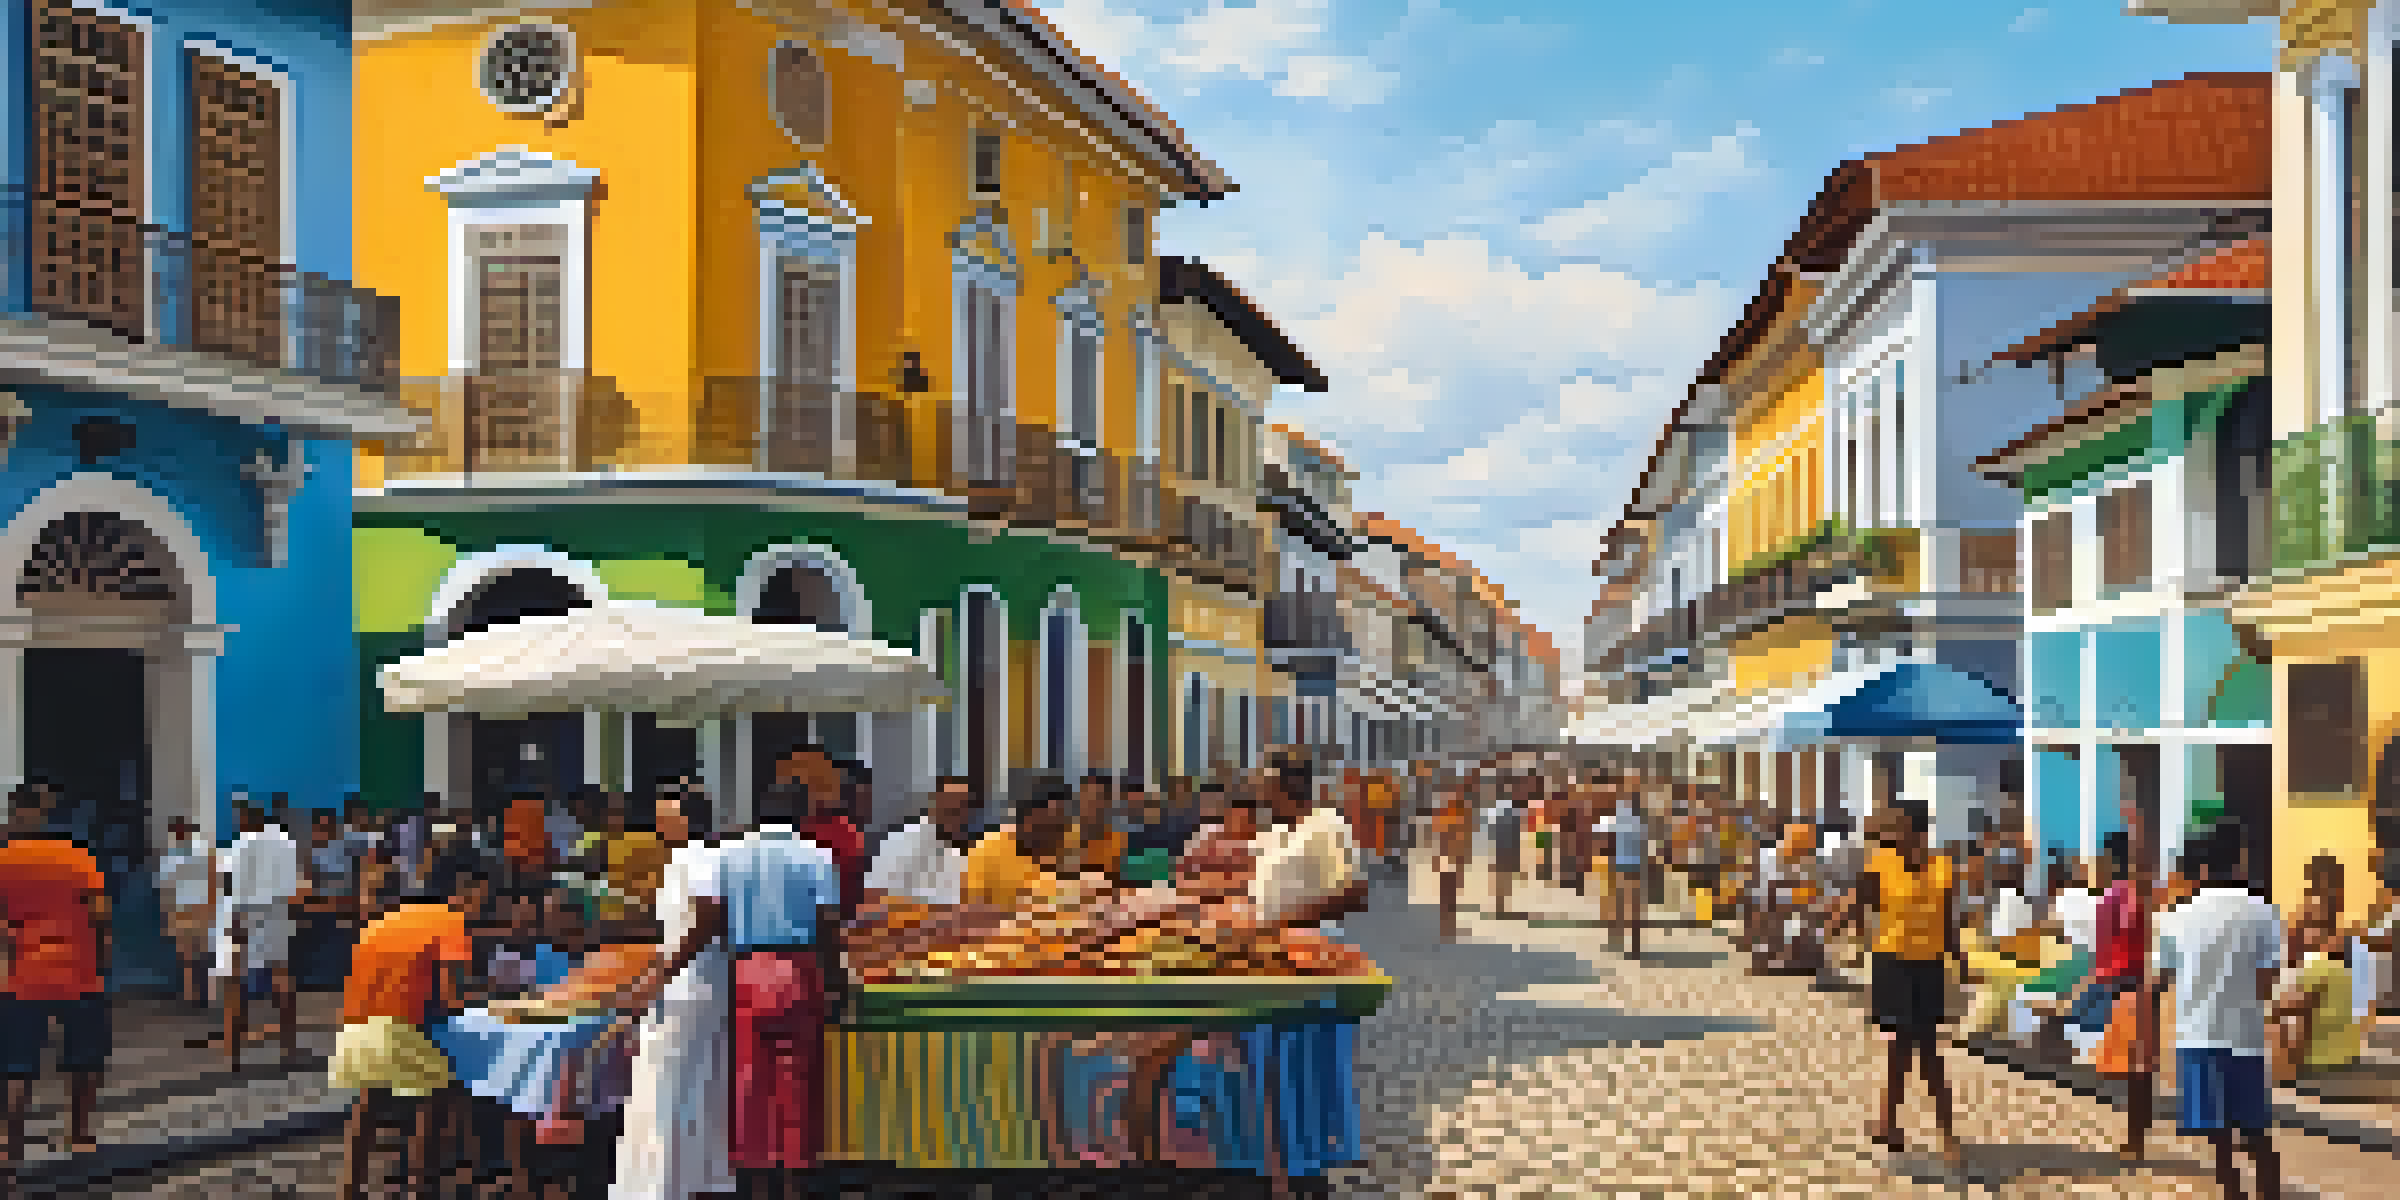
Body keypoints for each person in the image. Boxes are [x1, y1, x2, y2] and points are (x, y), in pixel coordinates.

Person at [635, 762, 841, 1200]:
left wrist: (665, 970)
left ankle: (755, 1185)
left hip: (747, 974)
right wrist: (837, 979)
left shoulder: (729, 855)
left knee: (750, 1084)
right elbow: (827, 924)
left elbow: (710, 918)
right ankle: (793, 1186)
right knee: (797, 1082)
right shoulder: (816, 854)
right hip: (798, 971)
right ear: (802, 815)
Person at [2147, 822, 2283, 1200]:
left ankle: (2232, 1194)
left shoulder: (2177, 917)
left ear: (2202, 868)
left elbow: (2158, 981)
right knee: (2256, 1133)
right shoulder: (2265, 913)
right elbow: (2267, 982)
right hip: (2246, 1036)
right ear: (2240, 861)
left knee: (2219, 1137)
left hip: (2198, 1037)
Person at [612, 786, 736, 1200]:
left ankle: (658, 1186)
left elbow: (709, 914)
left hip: (688, 985)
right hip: (699, 982)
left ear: (686, 819)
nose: (658, 822)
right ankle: (691, 1181)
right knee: (695, 1083)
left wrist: (661, 973)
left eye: (666, 815)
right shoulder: (695, 858)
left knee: (666, 1085)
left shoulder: (694, 858)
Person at [330, 871, 484, 1200]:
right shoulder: (451, 923)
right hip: (405, 1022)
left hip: (359, 1021)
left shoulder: (383, 922)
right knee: (429, 1105)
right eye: (478, 899)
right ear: (460, 894)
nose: (479, 909)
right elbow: (451, 995)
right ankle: (419, 1189)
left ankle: (349, 1189)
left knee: (367, 1107)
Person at [1833, 802, 1965, 1170]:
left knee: (1928, 1051)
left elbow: (1948, 921)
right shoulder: (1880, 863)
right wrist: (1840, 925)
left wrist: (1961, 961)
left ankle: (1947, 1134)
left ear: (1914, 829)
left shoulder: (1943, 867)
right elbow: (1858, 901)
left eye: (1895, 826)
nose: (1888, 832)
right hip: (1891, 963)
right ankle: (1888, 1123)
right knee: (1898, 1045)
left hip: (1928, 966)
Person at [0, 780, 112, 1181]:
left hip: (23, 977)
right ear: (44, 813)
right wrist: (102, 963)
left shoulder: (4, 860)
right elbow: (101, 914)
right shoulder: (78, 856)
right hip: (79, 974)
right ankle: (80, 1137)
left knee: (17, 1068)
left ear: (15, 813)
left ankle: (10, 1147)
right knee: (85, 1061)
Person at [217, 799, 301, 1070]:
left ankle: (233, 1053)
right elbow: (293, 887)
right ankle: (288, 1047)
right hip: (277, 914)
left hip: (245, 914)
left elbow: (232, 886)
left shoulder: (241, 846)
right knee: (282, 980)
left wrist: (234, 922)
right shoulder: (285, 844)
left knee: (234, 984)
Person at [862, 776, 975, 907]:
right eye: (950, 803)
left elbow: (952, 904)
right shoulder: (905, 839)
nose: (956, 810)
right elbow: (872, 892)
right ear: (934, 803)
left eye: (962, 805)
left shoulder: (958, 854)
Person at [963, 777, 1074, 908]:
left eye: (1060, 823)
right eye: (1047, 822)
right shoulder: (988, 851)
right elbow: (973, 908)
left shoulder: (1071, 851)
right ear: (1026, 816)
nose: (1053, 831)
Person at [2271, 922, 2360, 1084]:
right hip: (2346, 1054)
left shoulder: (2315, 966)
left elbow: (2294, 1008)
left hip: (2318, 1060)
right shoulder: (2343, 970)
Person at [156, 814, 217, 1006]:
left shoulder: (174, 857)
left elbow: (167, 889)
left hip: (189, 911)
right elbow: (214, 884)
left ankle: (196, 995)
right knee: (198, 957)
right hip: (196, 911)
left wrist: (168, 915)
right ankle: (200, 995)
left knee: (193, 958)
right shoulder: (204, 855)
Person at [1610, 791, 1651, 959]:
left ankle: (1619, 939)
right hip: (1637, 868)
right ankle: (1634, 944)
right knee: (1634, 906)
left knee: (1621, 903)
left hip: (1622, 867)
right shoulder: (1643, 822)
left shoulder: (1620, 816)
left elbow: (1605, 835)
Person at [1484, 779, 1524, 921]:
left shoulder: (1513, 807)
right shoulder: (1502, 807)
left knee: (1505, 878)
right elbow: (1495, 829)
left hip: (1508, 847)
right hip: (1503, 848)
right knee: (1503, 878)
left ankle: (1502, 907)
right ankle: (1500, 908)